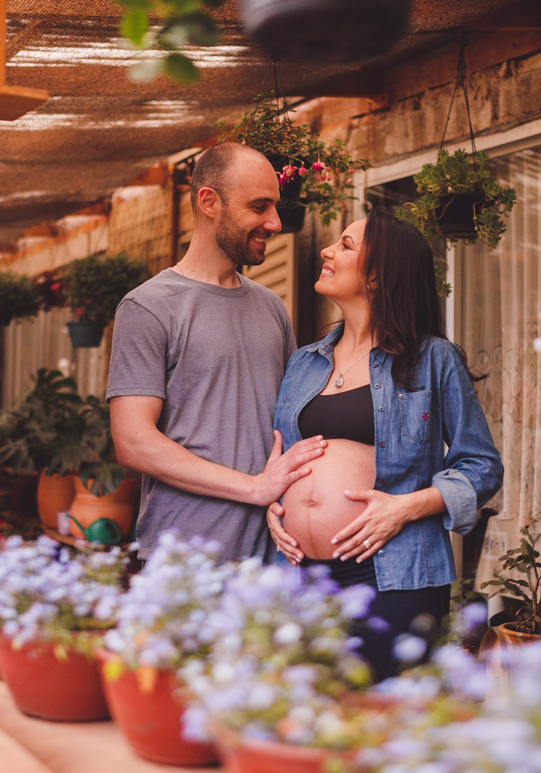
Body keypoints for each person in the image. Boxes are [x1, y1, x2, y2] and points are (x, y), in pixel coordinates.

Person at [267, 206, 503, 680]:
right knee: (310, 711)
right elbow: (285, 456)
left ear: (377, 277)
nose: (328, 251)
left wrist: (404, 508)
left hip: (393, 573)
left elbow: (481, 465)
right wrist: (274, 505)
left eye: (347, 245)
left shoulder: (432, 359)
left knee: (389, 718)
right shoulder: (303, 363)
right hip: (301, 572)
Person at [106, 142, 326, 562]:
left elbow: (292, 419)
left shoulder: (271, 307)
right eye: (259, 207)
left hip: (274, 555)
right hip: (187, 558)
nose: (275, 223)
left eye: (275, 207)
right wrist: (254, 488)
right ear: (209, 202)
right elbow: (133, 441)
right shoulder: (149, 307)